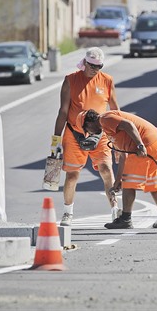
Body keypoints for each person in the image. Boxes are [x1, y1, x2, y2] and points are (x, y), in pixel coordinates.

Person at [51, 47, 119, 226]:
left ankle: (115, 210)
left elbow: (115, 110)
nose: (95, 70)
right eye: (91, 66)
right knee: (72, 176)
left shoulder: (107, 81)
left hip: (100, 134)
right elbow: (63, 111)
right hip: (74, 134)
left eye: (98, 67)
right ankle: (67, 213)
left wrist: (118, 138)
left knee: (106, 170)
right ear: (85, 63)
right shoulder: (71, 80)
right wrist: (56, 140)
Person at [77, 109, 157, 229]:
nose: (90, 133)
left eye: (87, 130)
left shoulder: (104, 119)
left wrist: (140, 145)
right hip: (154, 142)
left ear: (88, 123)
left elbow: (128, 125)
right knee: (153, 183)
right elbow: (124, 155)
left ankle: (126, 219)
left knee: (129, 183)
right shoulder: (108, 128)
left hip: (144, 144)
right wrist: (118, 180)